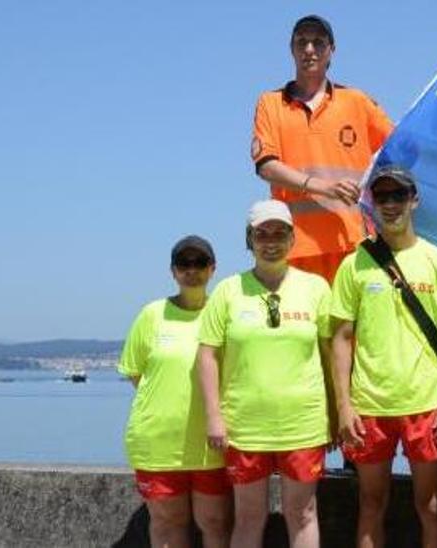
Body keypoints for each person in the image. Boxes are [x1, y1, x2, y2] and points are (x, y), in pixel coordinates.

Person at [330, 165, 437, 548]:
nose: (390, 205)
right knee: (371, 503)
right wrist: (344, 405)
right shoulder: (353, 264)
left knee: (431, 506)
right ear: (371, 203)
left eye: (398, 196)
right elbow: (341, 338)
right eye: (382, 197)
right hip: (369, 405)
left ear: (414, 201)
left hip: (426, 403)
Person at [196, 200, 333, 548]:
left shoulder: (315, 287)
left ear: (292, 238)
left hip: (302, 423)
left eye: (279, 233)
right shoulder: (228, 291)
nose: (270, 241)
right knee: (248, 517)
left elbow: (331, 355)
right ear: (249, 239)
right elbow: (207, 354)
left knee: (302, 513)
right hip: (245, 426)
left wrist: (336, 413)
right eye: (262, 234)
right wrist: (214, 416)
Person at [251, 14, 395, 283]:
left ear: (331, 51)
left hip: (352, 243)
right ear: (291, 50)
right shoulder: (270, 103)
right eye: (301, 42)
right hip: (294, 246)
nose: (309, 50)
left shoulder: (357, 102)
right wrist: (324, 187)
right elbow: (266, 166)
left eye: (318, 43)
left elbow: (403, 149)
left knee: (352, 326)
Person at [119, 236, 231, 548]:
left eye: (199, 263)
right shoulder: (152, 314)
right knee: (168, 526)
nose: (191, 270)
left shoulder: (224, 313)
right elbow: (135, 373)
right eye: (184, 263)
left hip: (211, 445)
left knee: (215, 523)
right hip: (159, 444)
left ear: (212, 269)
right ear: (173, 271)